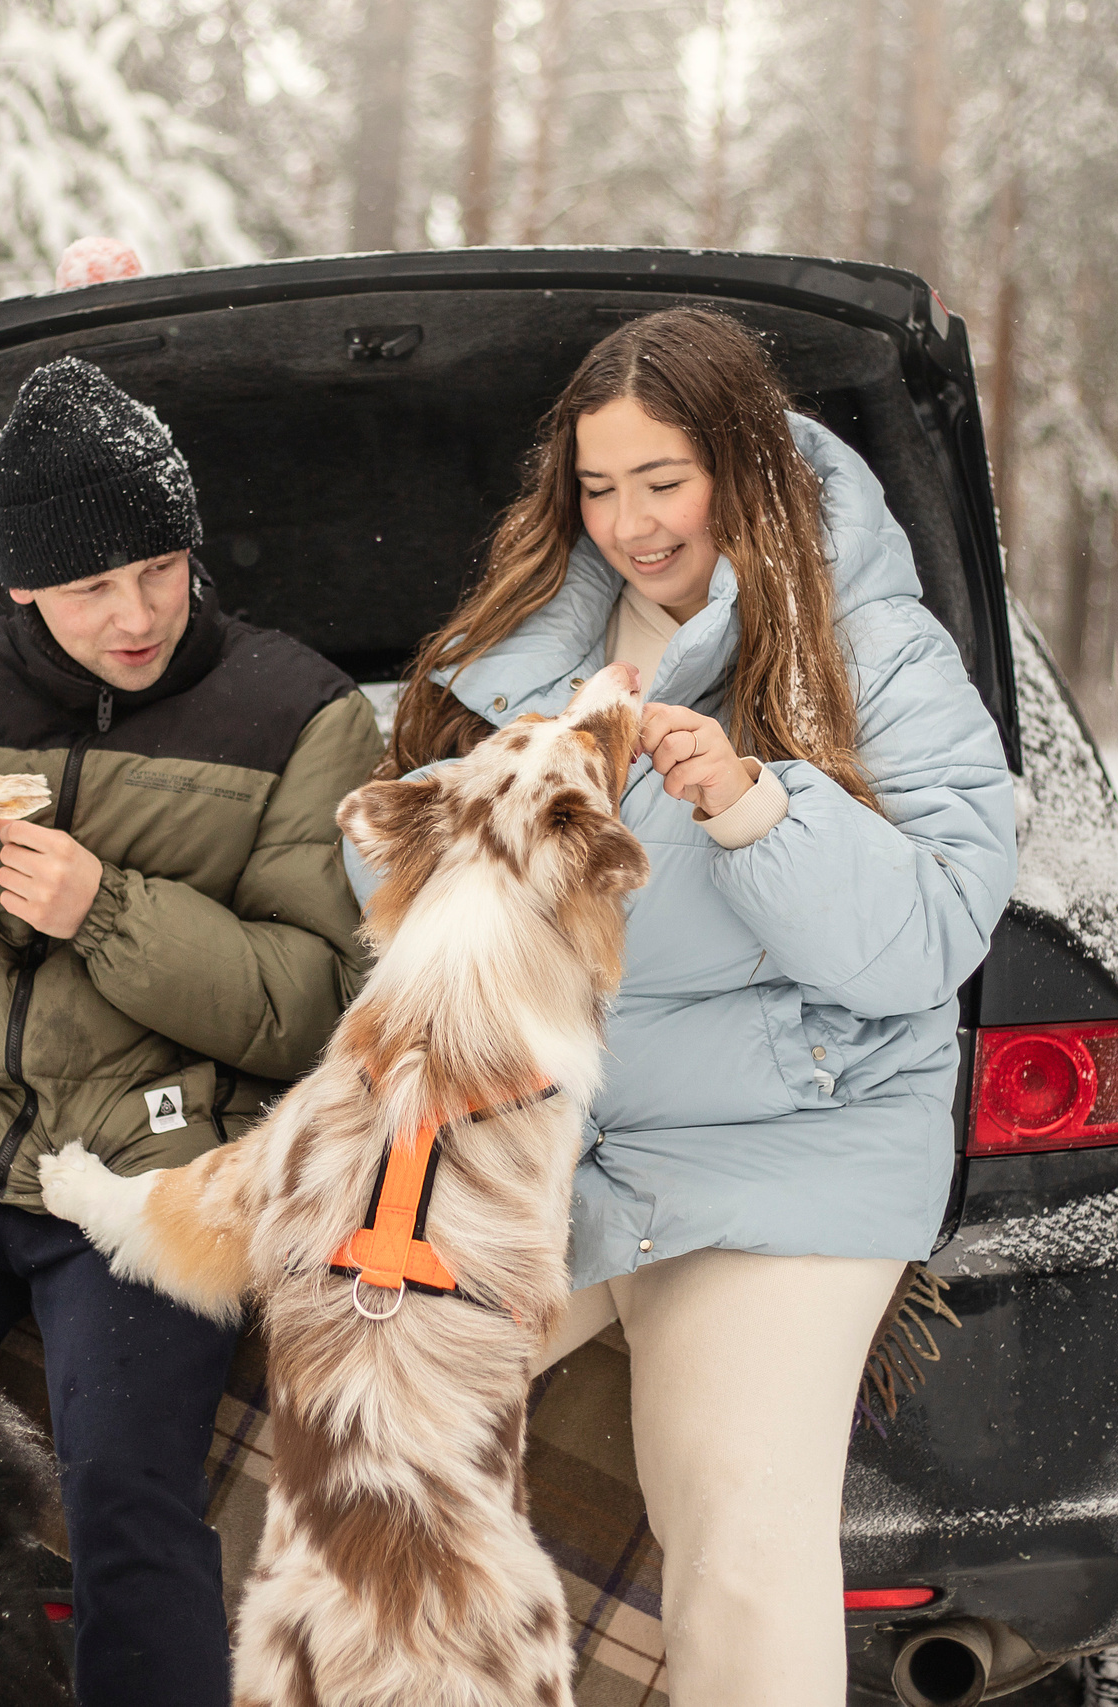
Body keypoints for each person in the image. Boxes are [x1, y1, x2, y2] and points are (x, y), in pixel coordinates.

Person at [366, 307, 1018, 1706]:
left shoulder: (875, 651)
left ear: (742, 462)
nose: (631, 524)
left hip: (785, 1152)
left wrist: (751, 804)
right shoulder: (527, 653)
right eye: (598, 489)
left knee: (735, 1517)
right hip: (564, 1144)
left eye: (663, 480)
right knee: (355, 1410)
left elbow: (931, 936)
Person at [0, 355, 383, 1707]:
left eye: (160, 568)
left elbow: (311, 1007)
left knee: (130, 1505)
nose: (137, 614)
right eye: (92, 586)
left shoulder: (301, 716)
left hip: (139, 1175)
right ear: (22, 589)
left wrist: (107, 909)